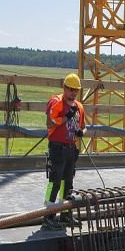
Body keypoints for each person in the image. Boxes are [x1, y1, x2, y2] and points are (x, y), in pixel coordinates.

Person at [43, 73, 86, 228]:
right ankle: (48, 214)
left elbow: (83, 126)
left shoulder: (79, 107)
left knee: (67, 183)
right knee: (54, 181)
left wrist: (82, 132)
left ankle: (65, 214)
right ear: (64, 88)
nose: (73, 93)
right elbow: (50, 123)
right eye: (71, 89)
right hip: (57, 147)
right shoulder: (56, 102)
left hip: (71, 149)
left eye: (76, 90)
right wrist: (66, 118)